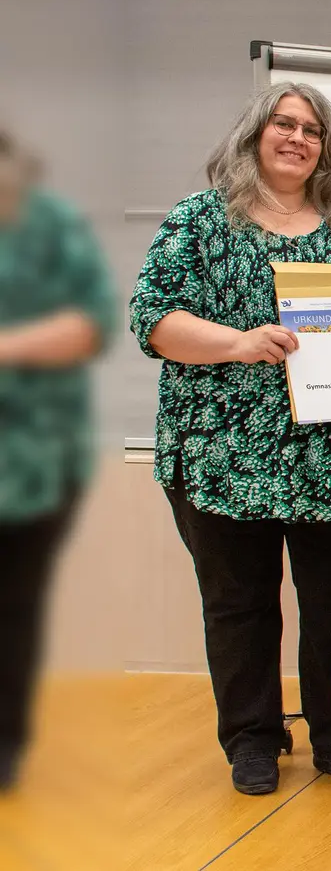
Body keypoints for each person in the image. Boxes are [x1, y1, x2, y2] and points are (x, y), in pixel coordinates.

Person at [128, 82, 331, 796]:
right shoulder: (199, 221)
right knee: (238, 606)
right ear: (256, 134)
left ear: (326, 150)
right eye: (284, 123)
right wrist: (239, 342)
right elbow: (152, 320)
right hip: (220, 452)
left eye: (312, 130)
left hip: (325, 460)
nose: (297, 138)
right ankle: (252, 738)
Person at [0, 128, 118, 791]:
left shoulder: (50, 224)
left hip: (35, 459)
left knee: (13, 606)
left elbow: (90, 323)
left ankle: (4, 743)